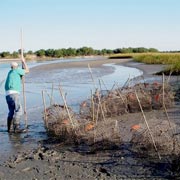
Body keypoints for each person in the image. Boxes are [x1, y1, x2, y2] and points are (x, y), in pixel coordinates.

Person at [5, 57, 29, 133]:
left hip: (7, 94)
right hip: (14, 93)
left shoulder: (10, 72)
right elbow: (27, 71)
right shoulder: (16, 70)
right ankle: (16, 128)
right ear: (16, 67)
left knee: (11, 111)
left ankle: (9, 129)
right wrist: (24, 62)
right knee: (19, 110)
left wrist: (21, 69)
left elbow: (20, 77)